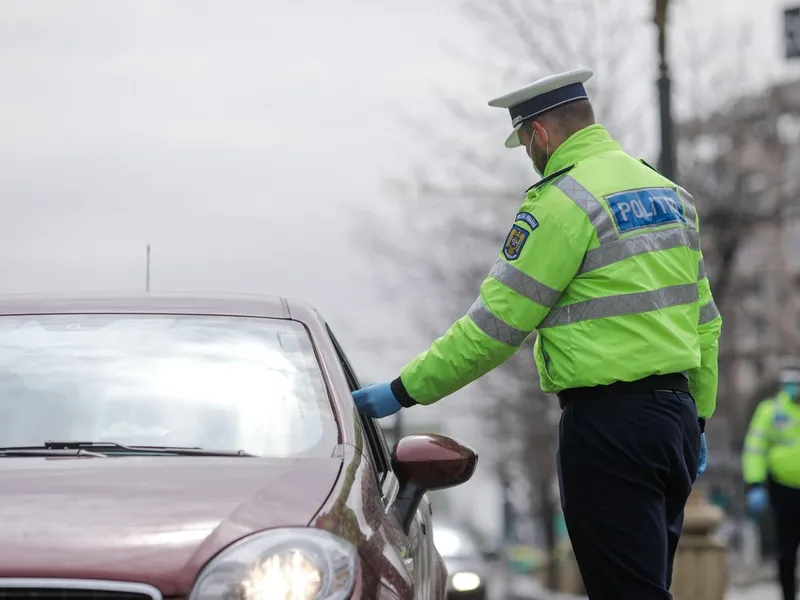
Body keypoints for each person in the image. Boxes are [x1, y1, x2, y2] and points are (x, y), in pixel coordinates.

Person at [353, 68, 721, 600]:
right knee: (646, 583)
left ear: (541, 134)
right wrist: (700, 416)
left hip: (609, 427)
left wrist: (402, 391)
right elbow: (706, 321)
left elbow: (491, 330)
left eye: (525, 142)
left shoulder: (561, 204)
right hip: (677, 424)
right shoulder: (669, 196)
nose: (529, 154)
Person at [742, 361, 800, 600]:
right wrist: (755, 484)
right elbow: (755, 448)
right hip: (783, 489)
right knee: (786, 551)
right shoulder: (771, 410)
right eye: (790, 383)